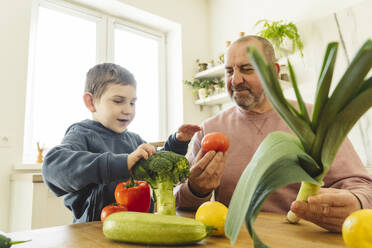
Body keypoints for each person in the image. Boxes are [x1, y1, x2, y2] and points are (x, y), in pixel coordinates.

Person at [175, 35, 372, 232]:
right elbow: (181, 203)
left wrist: (356, 202)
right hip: (235, 242)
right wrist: (196, 189)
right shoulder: (208, 129)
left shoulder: (318, 120)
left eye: (247, 69)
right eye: (229, 71)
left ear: (274, 72)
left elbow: (364, 187)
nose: (235, 80)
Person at [42, 63, 201, 223]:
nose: (128, 110)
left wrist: (176, 143)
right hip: (94, 231)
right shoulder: (82, 133)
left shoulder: (135, 140)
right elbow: (52, 167)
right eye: (118, 101)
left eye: (132, 102)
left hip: (140, 227)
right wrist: (120, 164)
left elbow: (158, 164)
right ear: (90, 102)